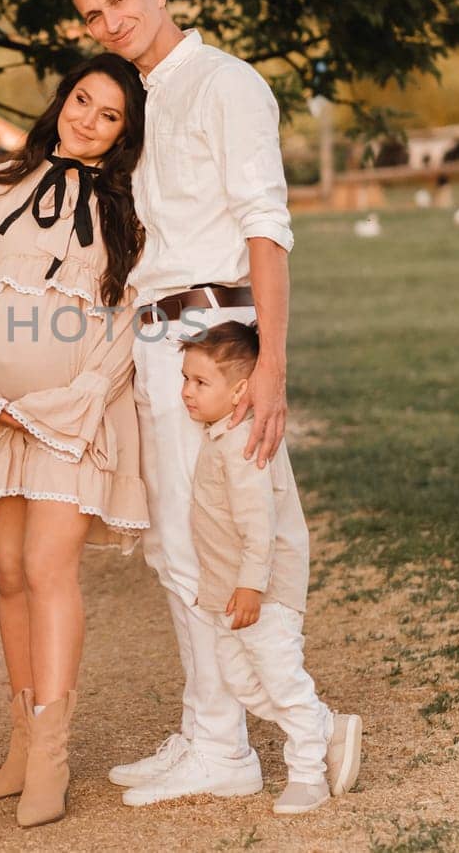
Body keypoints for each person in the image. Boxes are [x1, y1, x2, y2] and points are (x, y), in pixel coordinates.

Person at [0, 0, 332, 804]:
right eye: (93, 14)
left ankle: (250, 738)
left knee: (221, 536)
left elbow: (267, 225)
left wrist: (269, 362)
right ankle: (210, 732)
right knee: (172, 543)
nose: (111, 20)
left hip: (209, 328)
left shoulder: (226, 84)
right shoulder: (146, 101)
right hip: (150, 340)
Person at [0, 53, 149, 827]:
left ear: (126, 133)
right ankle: (21, 743)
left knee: (46, 565)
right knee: (7, 573)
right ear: (62, 99)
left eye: (109, 114)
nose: (87, 119)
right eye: (81, 100)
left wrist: (82, 395)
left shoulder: (132, 208)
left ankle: (53, 762)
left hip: (72, 412)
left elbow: (127, 317)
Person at [119, 321, 362, 814]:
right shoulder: (217, 435)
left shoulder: (246, 445)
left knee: (281, 680)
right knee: (243, 682)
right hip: (229, 595)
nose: (186, 392)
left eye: (200, 383)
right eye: (184, 379)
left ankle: (308, 773)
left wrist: (252, 587)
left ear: (240, 392)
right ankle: (324, 726)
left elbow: (259, 526)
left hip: (263, 596)